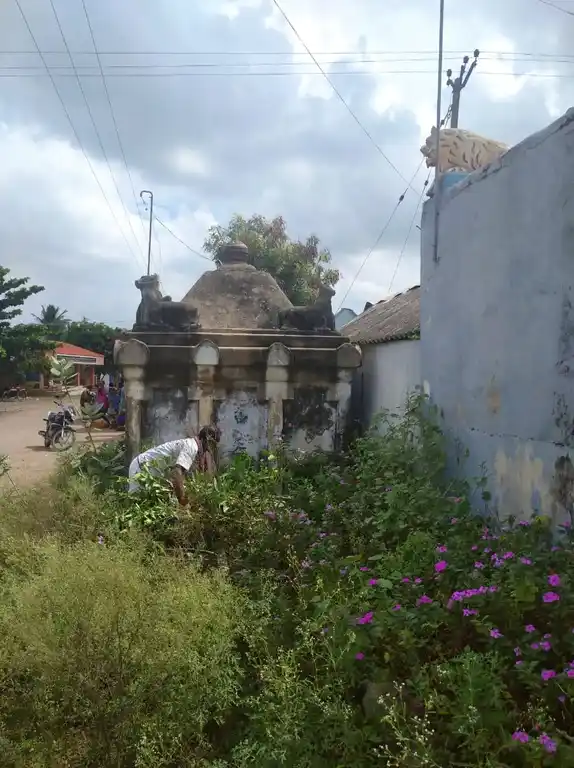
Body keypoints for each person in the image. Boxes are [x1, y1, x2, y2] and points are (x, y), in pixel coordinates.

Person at [127, 426, 220, 504]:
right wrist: (182, 500)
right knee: (136, 502)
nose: (211, 449)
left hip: (153, 474)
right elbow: (176, 474)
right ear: (207, 440)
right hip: (141, 468)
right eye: (212, 444)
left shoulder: (193, 447)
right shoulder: (192, 447)